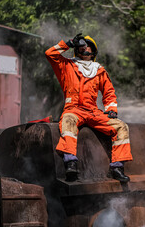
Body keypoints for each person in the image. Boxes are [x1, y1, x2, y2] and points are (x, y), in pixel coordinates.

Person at [45, 33, 133, 182]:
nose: (84, 48)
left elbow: (109, 92)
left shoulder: (99, 70)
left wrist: (112, 109)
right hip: (73, 110)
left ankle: (117, 167)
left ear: (93, 51)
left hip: (93, 112)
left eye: (88, 46)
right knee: (68, 122)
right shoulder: (67, 66)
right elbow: (50, 53)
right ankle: (70, 163)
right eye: (81, 46)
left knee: (121, 127)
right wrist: (68, 43)